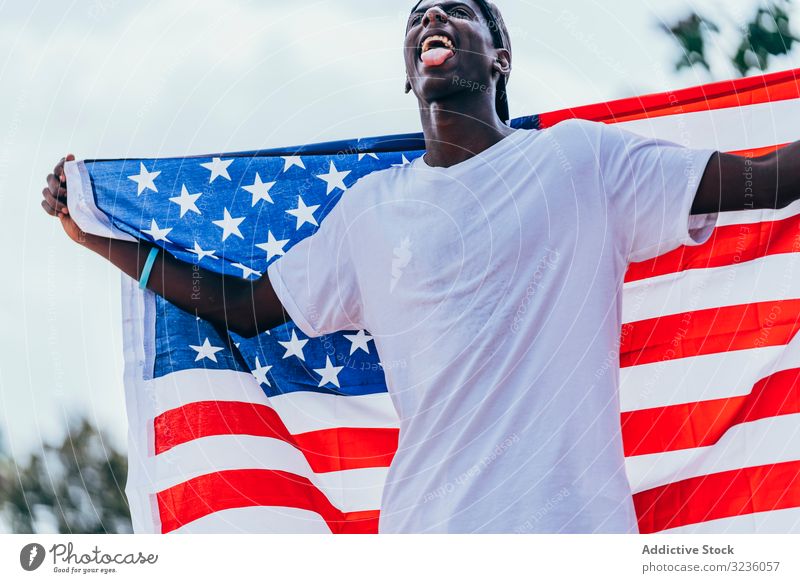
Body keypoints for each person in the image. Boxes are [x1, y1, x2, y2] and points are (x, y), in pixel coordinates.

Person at [41, 0, 800, 533]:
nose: (431, 19)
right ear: (409, 73)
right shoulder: (372, 211)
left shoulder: (580, 161)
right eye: (417, 18)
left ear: (501, 58)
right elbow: (245, 308)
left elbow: (762, 180)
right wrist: (100, 235)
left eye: (455, 11)